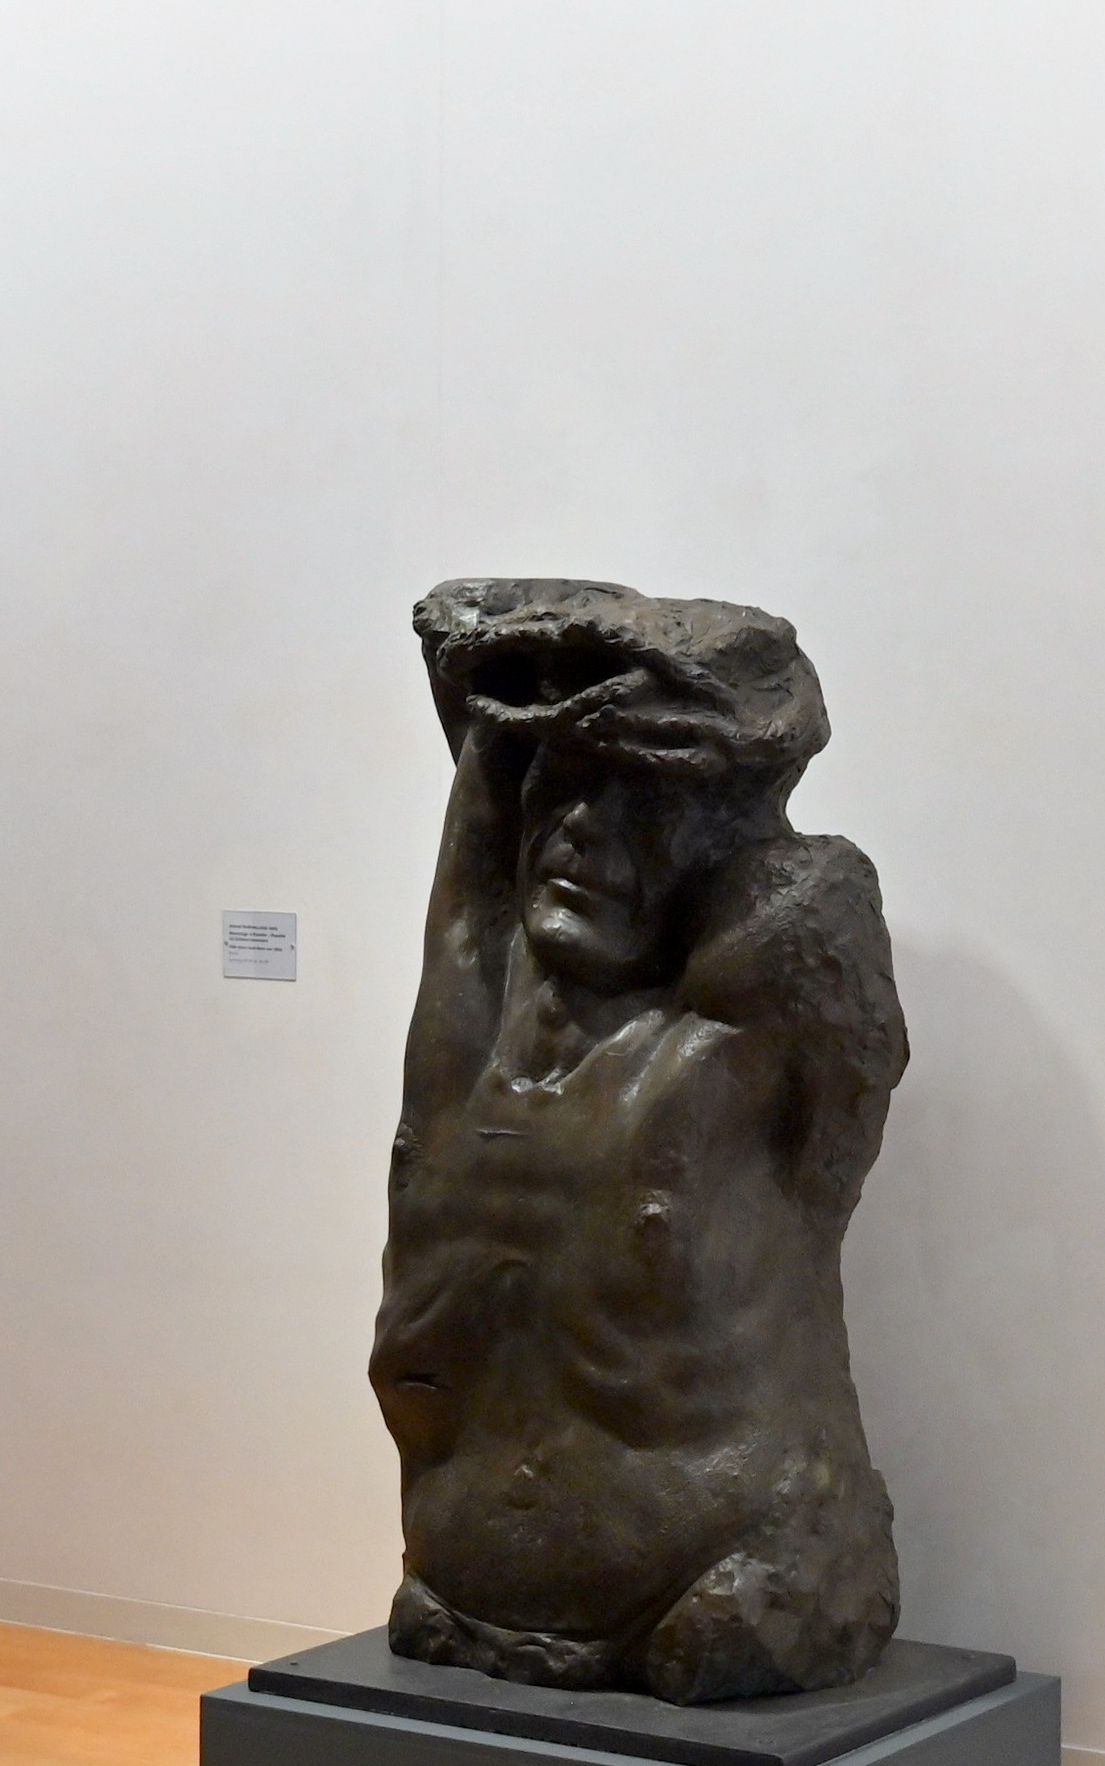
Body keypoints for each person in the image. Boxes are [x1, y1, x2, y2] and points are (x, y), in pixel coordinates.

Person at [371, 579, 911, 1705]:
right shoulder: (464, 1037)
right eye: (563, 792)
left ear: (721, 835)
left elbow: (770, 760)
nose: (581, 830)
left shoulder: (739, 1020)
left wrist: (664, 711)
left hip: (716, 1593)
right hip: (450, 1598)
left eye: (633, 805)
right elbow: (466, 682)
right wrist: (528, 698)